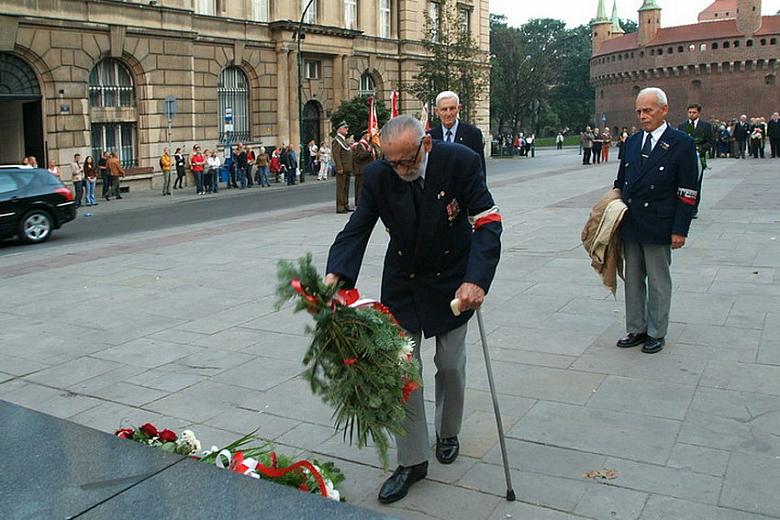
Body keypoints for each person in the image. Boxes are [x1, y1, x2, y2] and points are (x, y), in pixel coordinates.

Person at [325, 115, 501, 504]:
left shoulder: (461, 161)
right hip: (404, 281)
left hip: (453, 279)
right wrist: (337, 274)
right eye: (393, 162)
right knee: (402, 371)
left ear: (426, 145)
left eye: (407, 161)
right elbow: (357, 227)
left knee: (451, 364)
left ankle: (448, 430)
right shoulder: (379, 175)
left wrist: (477, 279)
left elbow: (487, 221)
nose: (401, 170)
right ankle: (412, 460)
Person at [613, 87, 698, 355]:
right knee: (634, 279)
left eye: (647, 110)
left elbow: (688, 192)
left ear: (664, 110)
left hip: (660, 223)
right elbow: (620, 182)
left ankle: (656, 331)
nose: (642, 116)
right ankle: (636, 327)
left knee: (659, 282)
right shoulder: (632, 142)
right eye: (639, 111)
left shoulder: (681, 143)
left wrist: (680, 230)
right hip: (632, 223)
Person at [428, 90, 486, 179]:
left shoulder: (473, 134)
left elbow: (480, 169)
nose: (448, 113)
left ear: (458, 108)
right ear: (436, 111)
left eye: (452, 108)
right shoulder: (430, 137)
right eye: (444, 109)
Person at [677, 103, 714, 218]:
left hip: (699, 158)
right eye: (689, 112)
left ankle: (693, 209)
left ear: (698, 113)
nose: (691, 115)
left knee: (696, 184)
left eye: (694, 112)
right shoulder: (682, 126)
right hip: (685, 159)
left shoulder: (705, 126)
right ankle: (684, 206)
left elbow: (710, 141)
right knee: (683, 183)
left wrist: (700, 149)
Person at [332, 121, 353, 213]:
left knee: (346, 187)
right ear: (339, 129)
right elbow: (336, 155)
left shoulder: (343, 140)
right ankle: (340, 207)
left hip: (347, 168)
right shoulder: (336, 140)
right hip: (342, 169)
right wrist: (339, 167)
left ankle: (345, 204)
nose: (347, 129)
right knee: (341, 188)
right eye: (345, 128)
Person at [351, 130, 376, 207]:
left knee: (363, 186)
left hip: (365, 168)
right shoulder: (360, 145)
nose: (368, 136)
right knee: (360, 187)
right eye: (367, 135)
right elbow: (359, 157)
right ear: (364, 135)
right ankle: (359, 202)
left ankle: (361, 201)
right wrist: (368, 152)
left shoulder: (367, 144)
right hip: (361, 169)